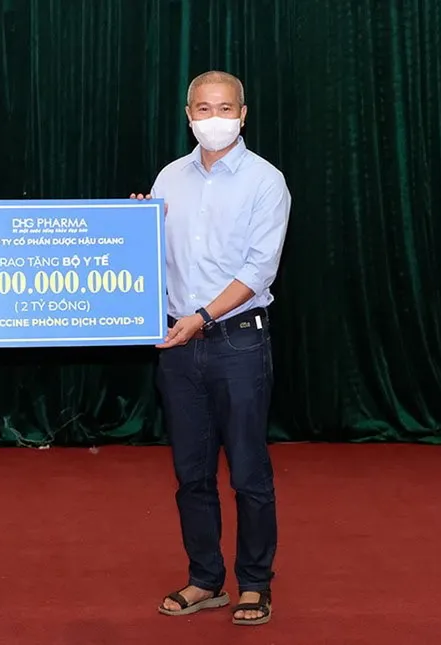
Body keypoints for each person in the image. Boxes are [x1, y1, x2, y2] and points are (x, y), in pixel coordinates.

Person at [132, 70, 291, 626]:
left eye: (225, 109)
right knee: (191, 473)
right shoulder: (169, 178)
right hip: (178, 347)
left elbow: (259, 269)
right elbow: (149, 256)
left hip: (237, 342)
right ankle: (205, 578)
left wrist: (201, 317)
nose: (214, 119)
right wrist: (133, 228)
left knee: (248, 472)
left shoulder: (266, 181)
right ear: (188, 114)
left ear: (243, 115)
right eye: (203, 109)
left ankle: (255, 583)